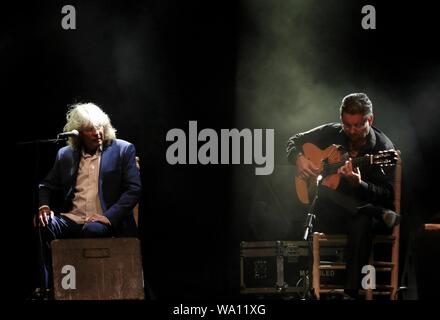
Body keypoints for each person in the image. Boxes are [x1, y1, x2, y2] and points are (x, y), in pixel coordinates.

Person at [286, 93, 400, 299]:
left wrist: (360, 184)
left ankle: (350, 293)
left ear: (370, 120)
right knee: (325, 193)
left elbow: (387, 194)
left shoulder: (383, 149)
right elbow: (293, 141)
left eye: (358, 125)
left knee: (362, 218)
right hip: (331, 215)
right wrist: (299, 159)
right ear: (342, 119)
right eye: (347, 125)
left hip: (364, 222)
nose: (352, 131)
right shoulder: (332, 132)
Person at [34, 102, 141, 299]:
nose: (97, 132)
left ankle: (84, 287)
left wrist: (109, 217)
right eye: (90, 129)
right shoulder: (65, 155)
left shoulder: (123, 150)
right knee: (45, 224)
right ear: (78, 133)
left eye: (100, 126)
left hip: (104, 220)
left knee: (92, 230)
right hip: (72, 219)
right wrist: (44, 206)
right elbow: (46, 185)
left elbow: (133, 189)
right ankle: (50, 287)